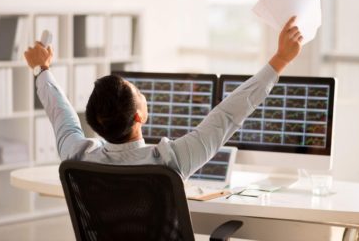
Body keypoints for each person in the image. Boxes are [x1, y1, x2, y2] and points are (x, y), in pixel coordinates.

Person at [24, 16, 302, 179]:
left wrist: (42, 70)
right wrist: (280, 60)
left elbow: (61, 116)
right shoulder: (171, 161)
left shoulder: (78, 156)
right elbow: (227, 115)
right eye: (139, 93)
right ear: (138, 116)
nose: (143, 94)